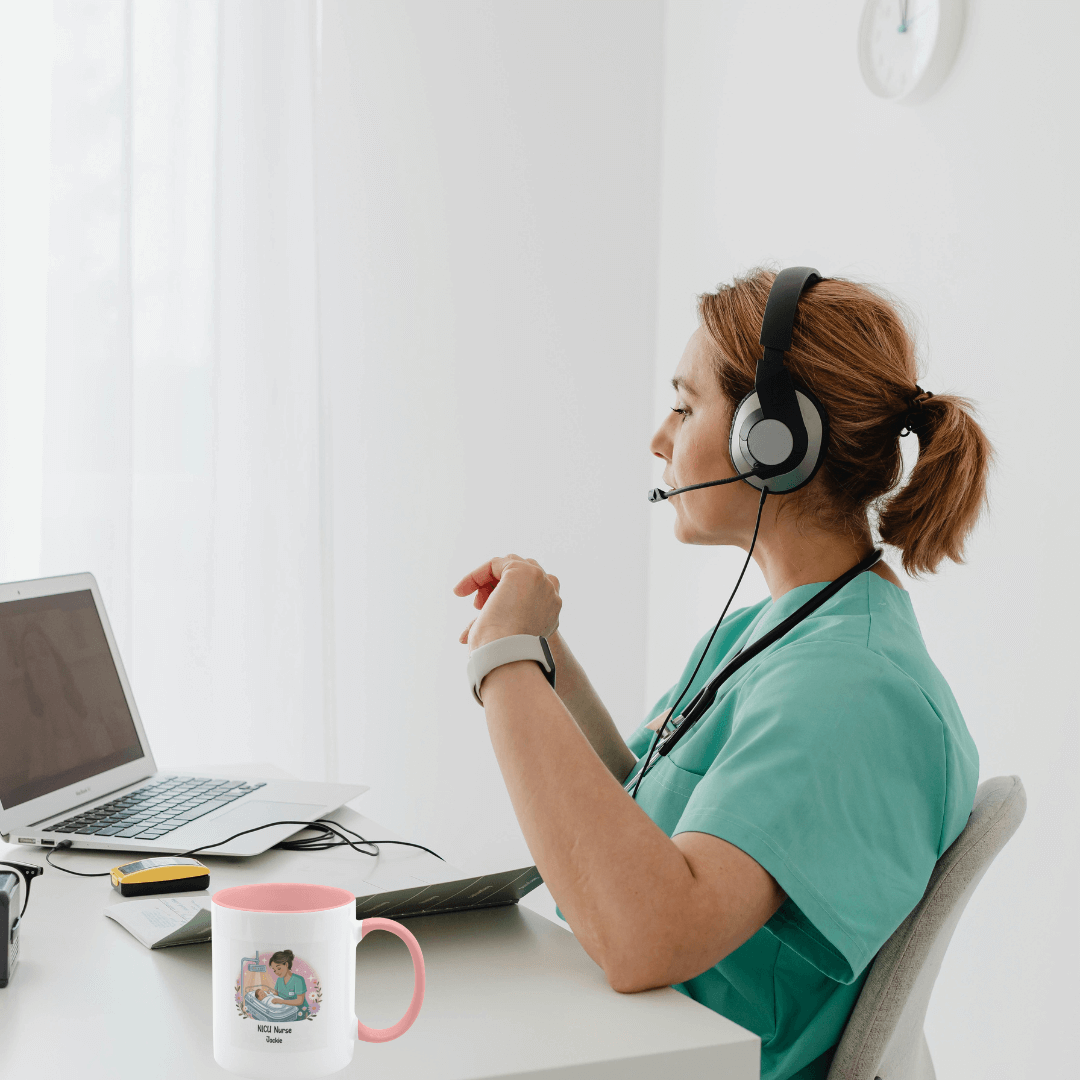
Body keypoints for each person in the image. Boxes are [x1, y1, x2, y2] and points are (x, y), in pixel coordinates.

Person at [453, 269, 988, 1080]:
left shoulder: (851, 691)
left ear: (774, 439)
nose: (658, 437)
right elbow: (647, 820)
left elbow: (646, 935)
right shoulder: (783, 631)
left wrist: (505, 668)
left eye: (684, 403)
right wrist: (545, 657)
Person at [268, 951, 309, 1018]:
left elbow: (299, 1001)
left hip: (300, 1012)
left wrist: (281, 1001)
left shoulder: (298, 980)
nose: (277, 972)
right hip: (286, 1011)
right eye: (274, 970)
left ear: (286, 965)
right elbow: (276, 994)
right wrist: (269, 995)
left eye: (279, 968)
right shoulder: (279, 980)